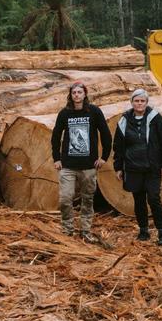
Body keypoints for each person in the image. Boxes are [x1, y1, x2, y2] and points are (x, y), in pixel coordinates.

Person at [50, 82, 112, 242]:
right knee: (65, 198)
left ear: (85, 94)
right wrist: (56, 158)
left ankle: (85, 230)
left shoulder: (94, 112)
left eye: (79, 92)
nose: (77, 95)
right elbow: (56, 136)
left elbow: (105, 134)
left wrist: (104, 157)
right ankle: (67, 229)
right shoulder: (65, 113)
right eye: (74, 92)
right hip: (68, 166)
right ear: (70, 95)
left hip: (88, 166)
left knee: (87, 199)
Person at [112, 89, 162, 245]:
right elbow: (118, 146)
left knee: (154, 199)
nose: (139, 104)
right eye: (136, 101)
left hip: (152, 168)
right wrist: (118, 167)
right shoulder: (124, 120)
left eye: (142, 101)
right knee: (138, 201)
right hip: (132, 168)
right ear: (132, 102)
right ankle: (143, 231)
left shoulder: (155, 118)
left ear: (146, 102)